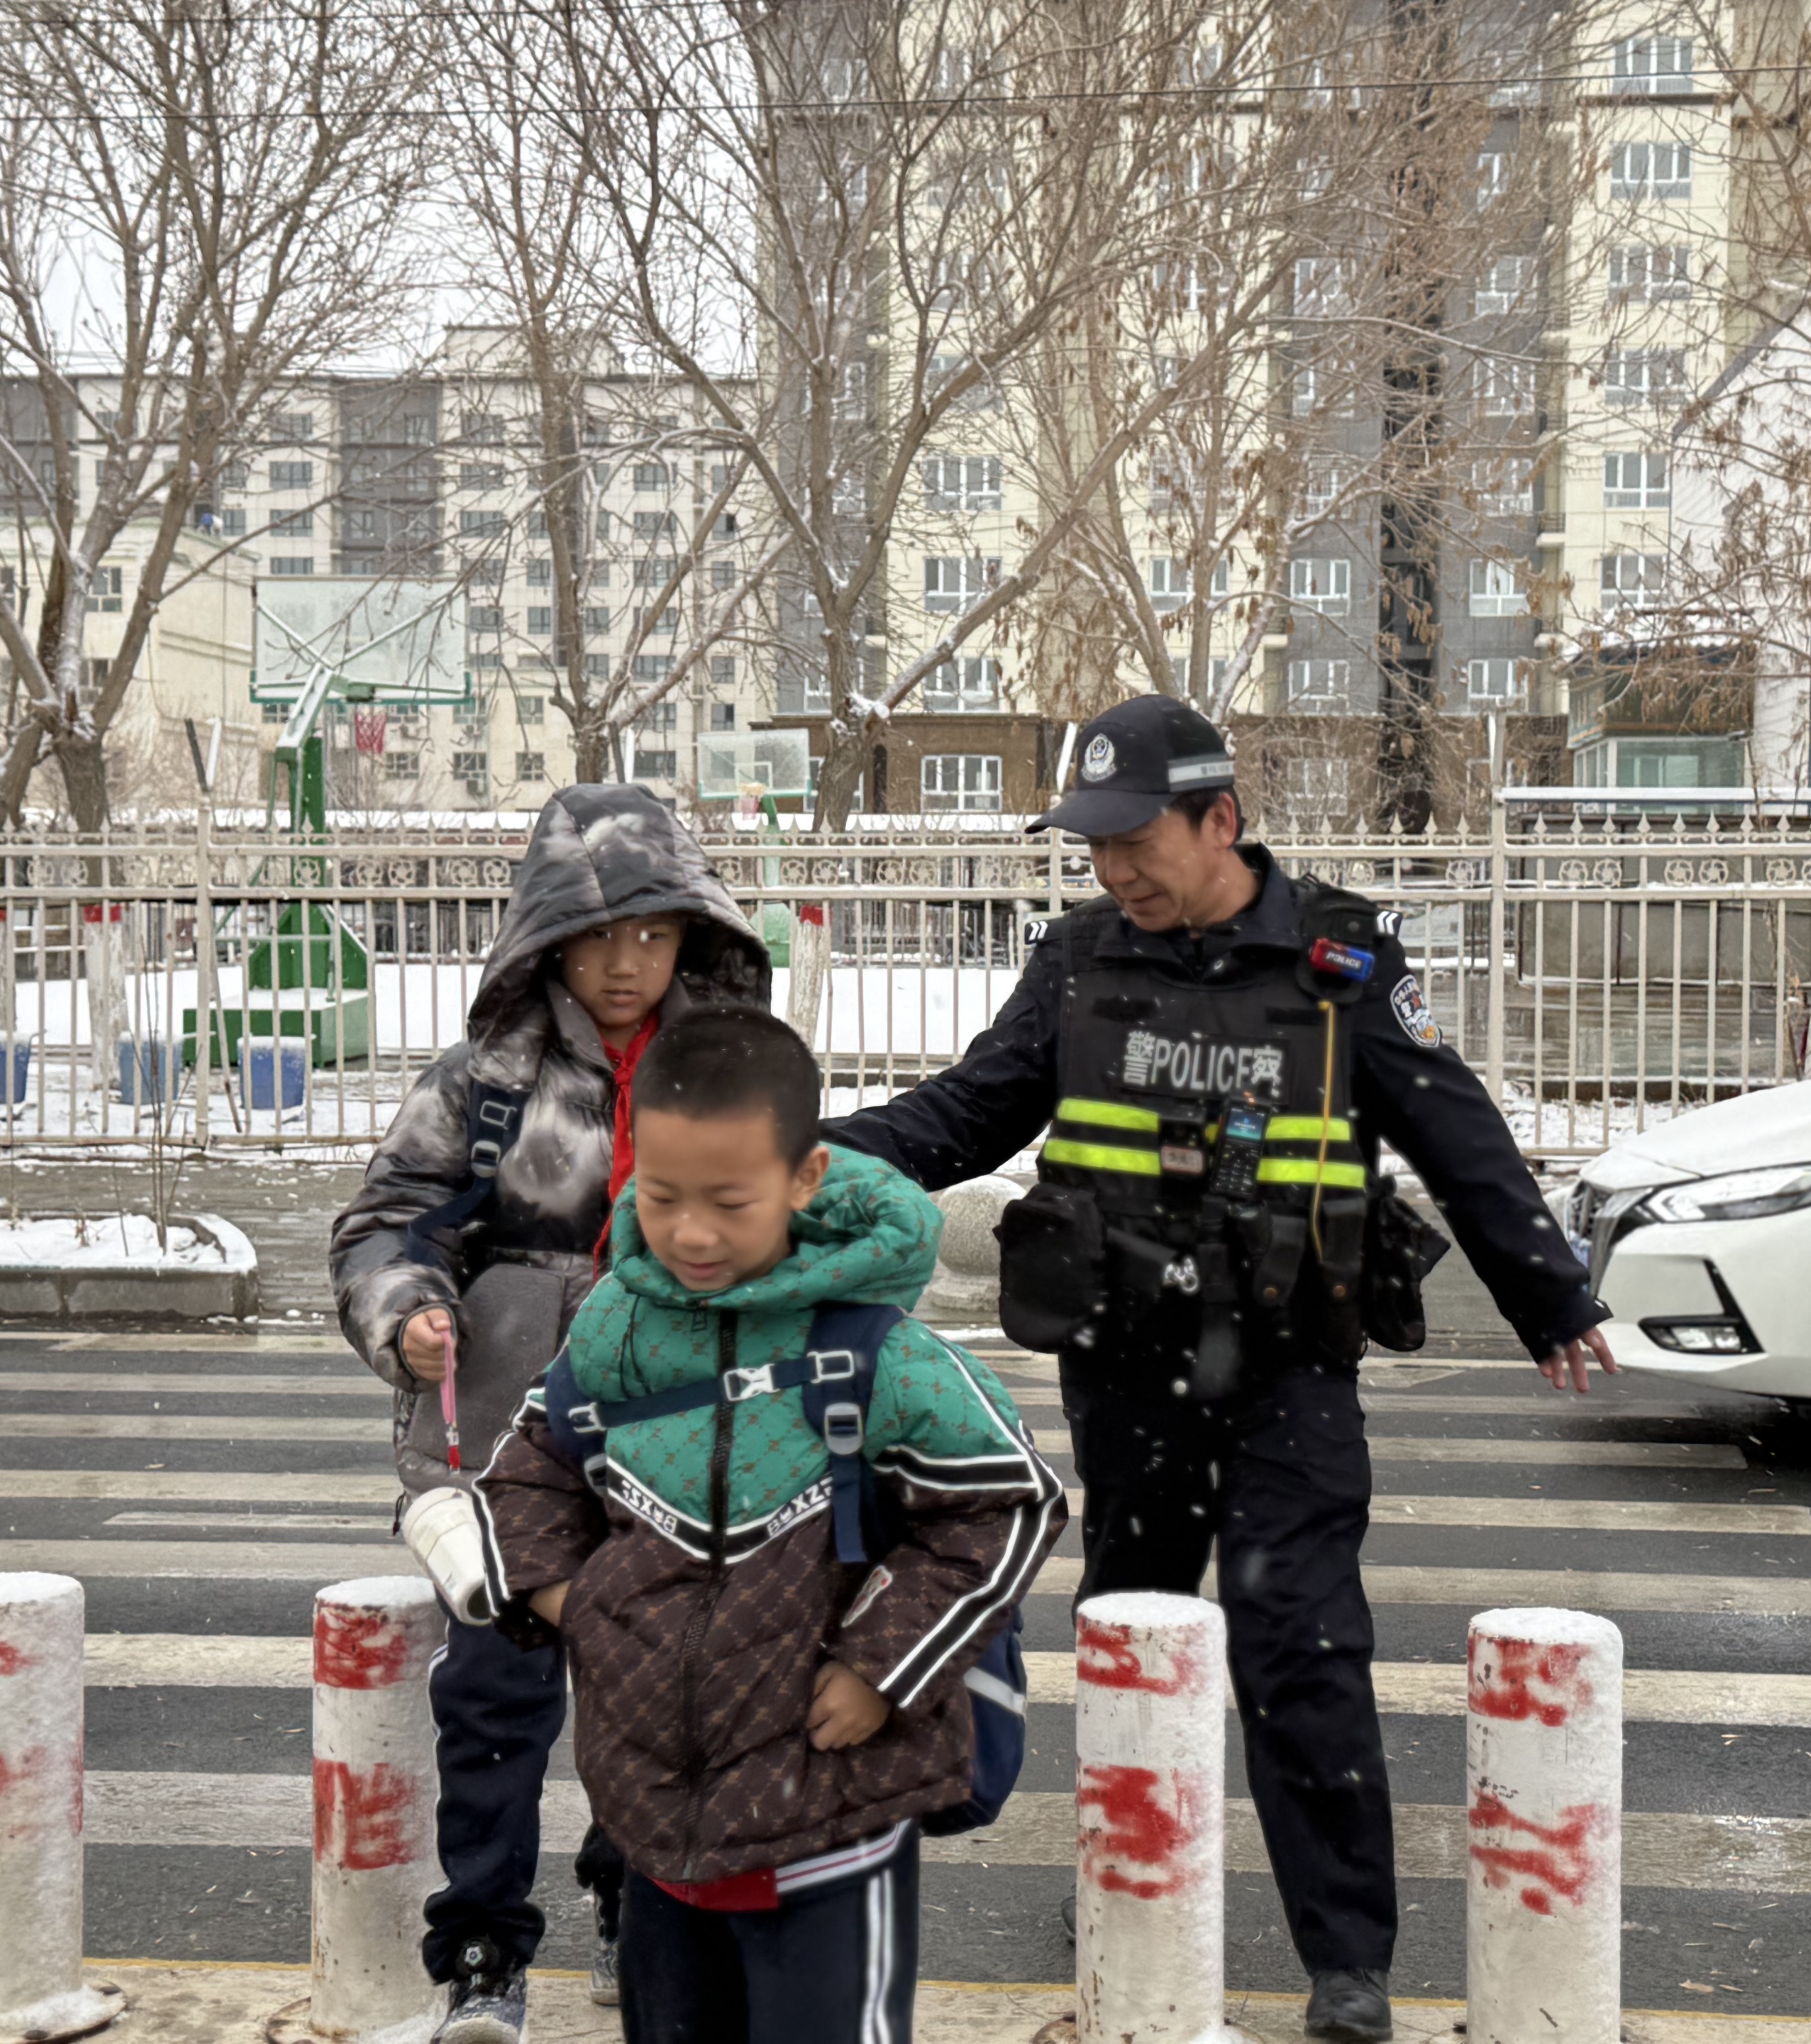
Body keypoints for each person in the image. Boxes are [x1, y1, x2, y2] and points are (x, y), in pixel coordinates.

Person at [823, 695, 1616, 2044]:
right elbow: (966, 1110)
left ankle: (1348, 1959)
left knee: (1303, 1645)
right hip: (1126, 1370)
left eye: (1135, 838)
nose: (1113, 868)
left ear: (1222, 821)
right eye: (1093, 845)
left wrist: (1549, 1291)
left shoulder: (1338, 962)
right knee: (1141, 1638)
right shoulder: (1079, 961)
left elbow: (1455, 1125)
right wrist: (806, 1151)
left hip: (1289, 1370)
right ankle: (1141, 1888)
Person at [472, 1006, 1066, 2044]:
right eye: (661, 1197)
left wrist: (883, 1667)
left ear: (804, 1180)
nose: (692, 1233)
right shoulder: (615, 1331)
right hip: (655, 1826)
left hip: (831, 1824)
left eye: (729, 1201)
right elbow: (525, 1475)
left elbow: (1007, 1507)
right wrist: (575, 1599)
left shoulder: (877, 1350)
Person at [329, 784, 771, 2043]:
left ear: (694, 932)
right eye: (594, 936)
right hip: (511, 1456)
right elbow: (384, 1226)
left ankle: (643, 1903)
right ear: (544, 941)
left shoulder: (738, 1074)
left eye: (651, 931)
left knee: (664, 1701)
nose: (624, 964)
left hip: (687, 1452)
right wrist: (411, 1308)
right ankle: (482, 1945)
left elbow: (794, 1230)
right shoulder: (486, 1084)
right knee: (495, 1704)